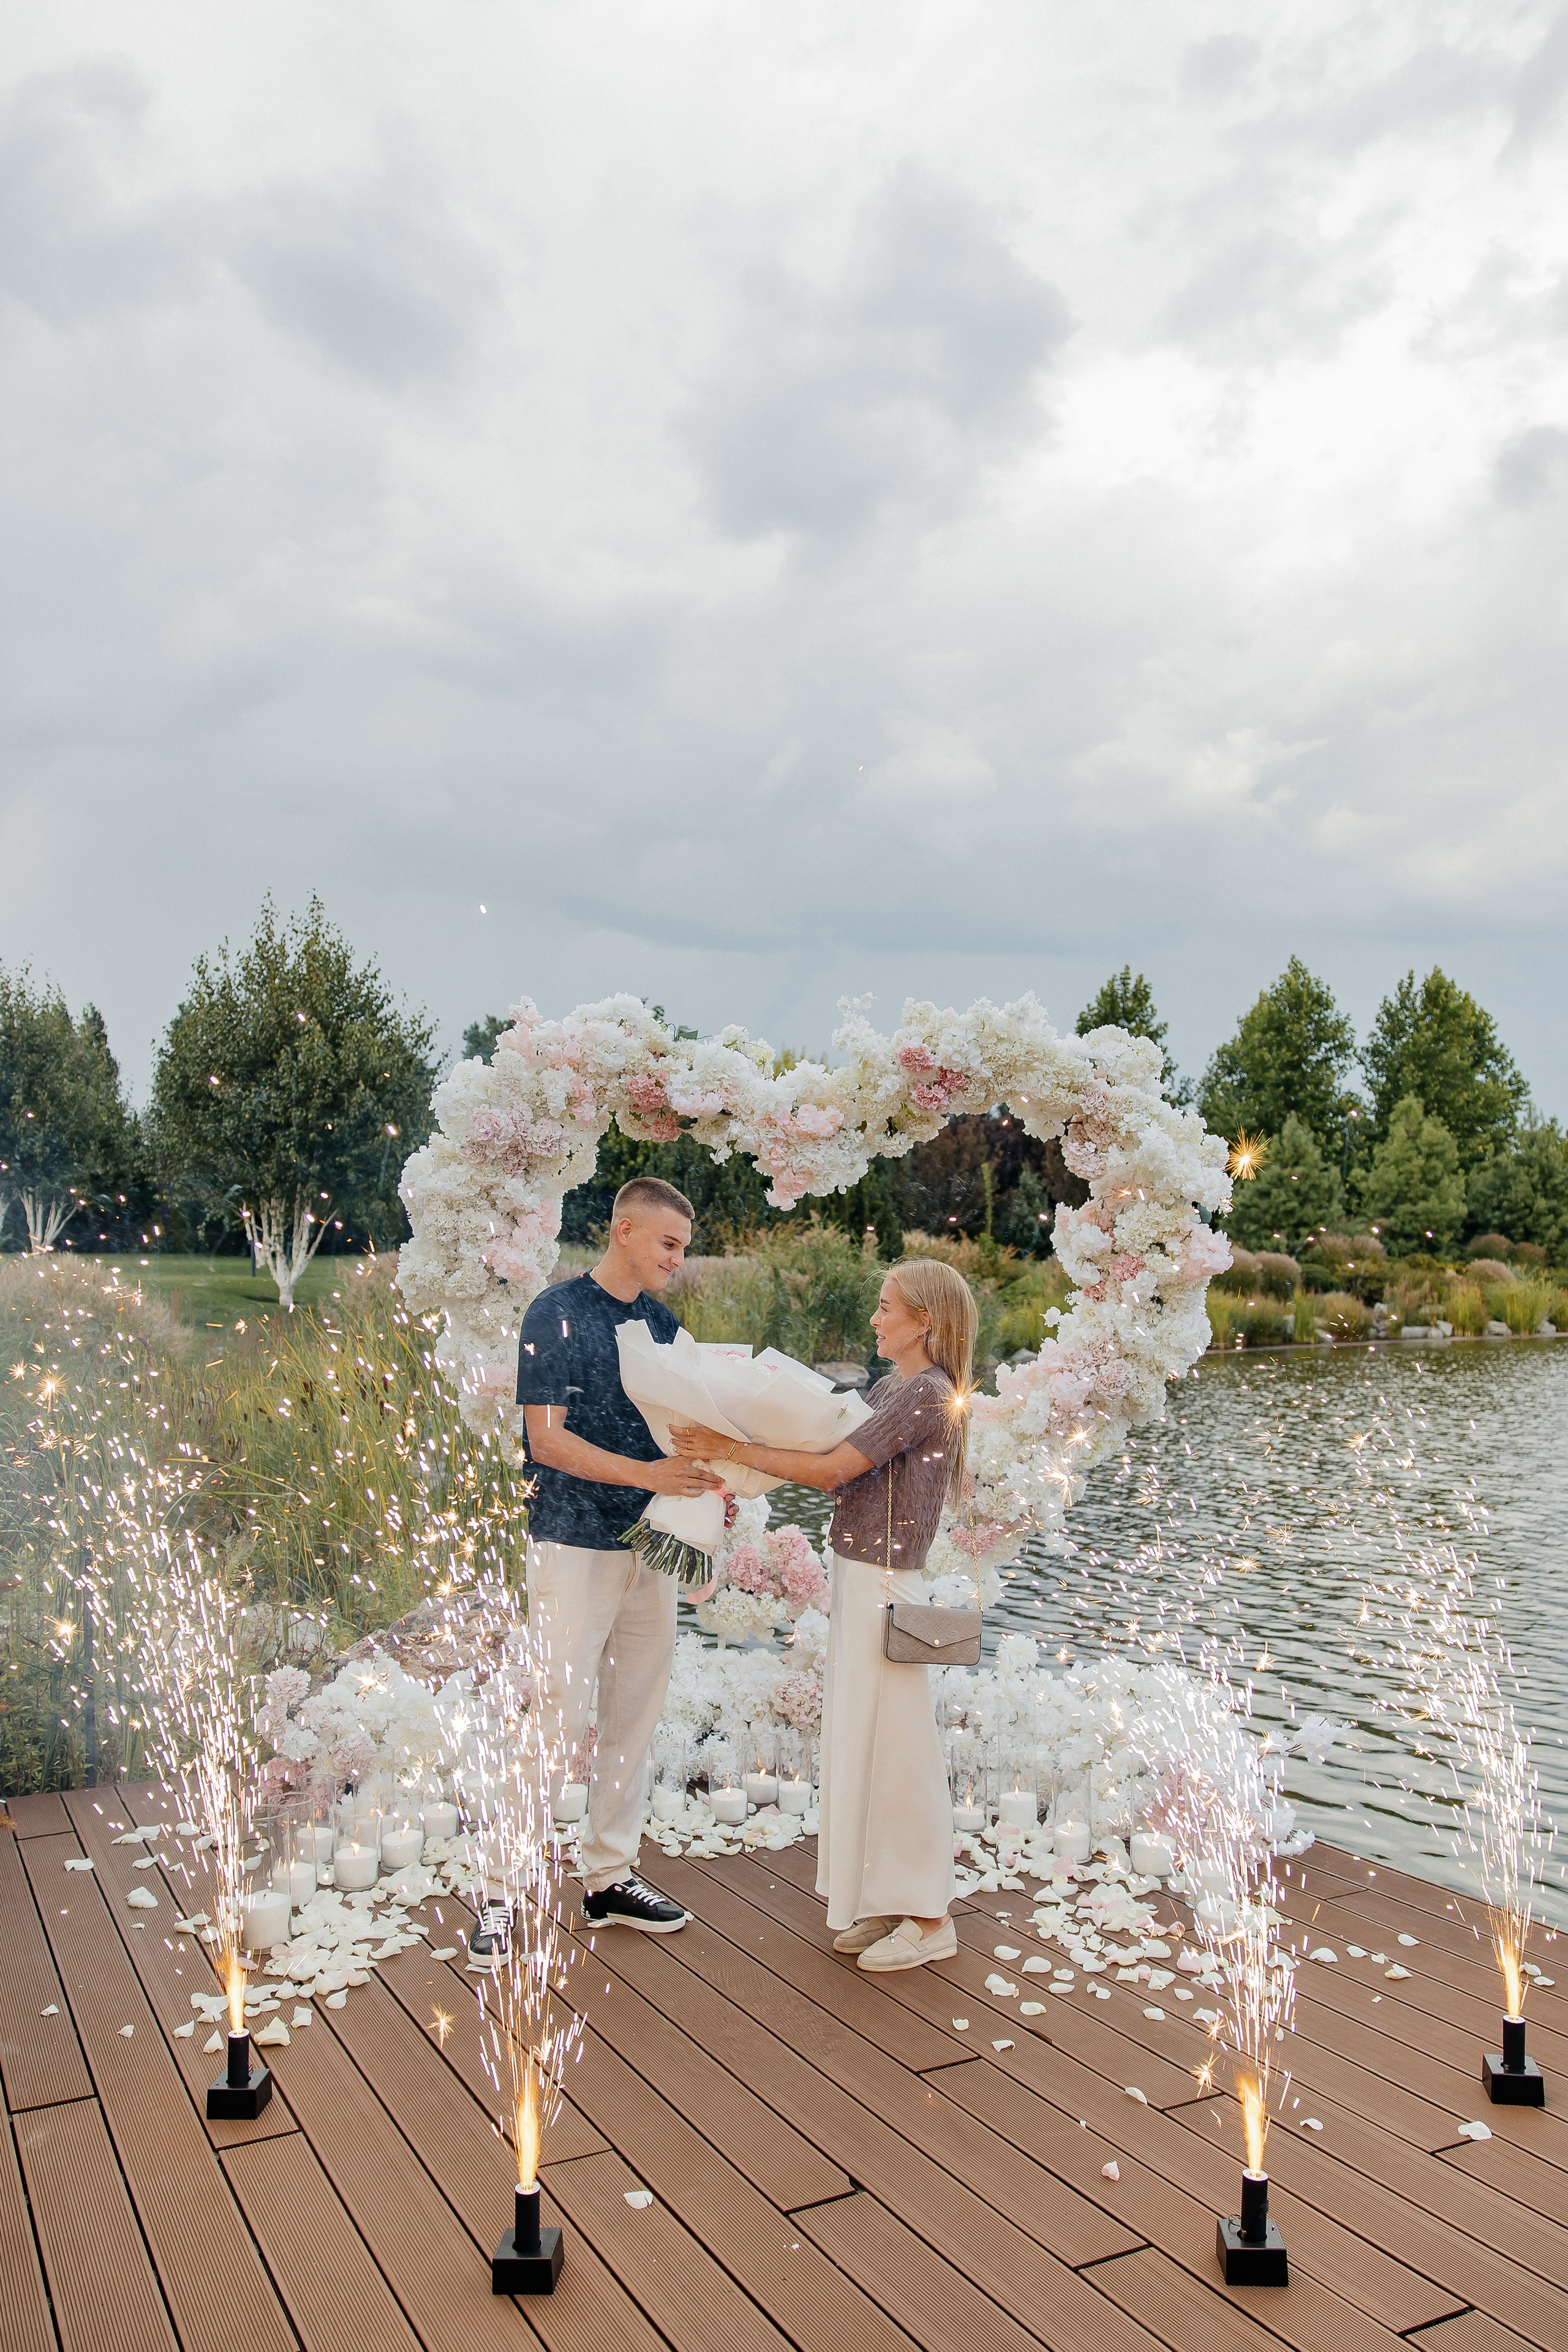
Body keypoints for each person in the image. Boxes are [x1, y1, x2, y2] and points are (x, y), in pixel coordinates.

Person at [672, 1257, 976, 1972]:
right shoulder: (891, 1387)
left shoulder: (926, 1393)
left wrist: (731, 1448)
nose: (874, 1319)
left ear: (923, 1321)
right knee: (863, 1744)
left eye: (885, 1307)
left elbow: (834, 1469)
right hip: (858, 1576)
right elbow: (833, 1455)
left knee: (900, 1752)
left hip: (885, 1585)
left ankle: (930, 1920)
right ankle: (886, 1899)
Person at [499, 1175, 723, 1945]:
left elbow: (678, 1435)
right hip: (570, 1542)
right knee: (554, 1718)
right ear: (624, 1230)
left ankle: (609, 1878)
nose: (676, 1259)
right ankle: (503, 1890)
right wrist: (650, 1476)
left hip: (650, 1549)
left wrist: (716, 1470)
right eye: (668, 1243)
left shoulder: (663, 1326)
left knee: (634, 1716)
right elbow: (546, 1441)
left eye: (683, 1249)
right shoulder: (554, 1313)